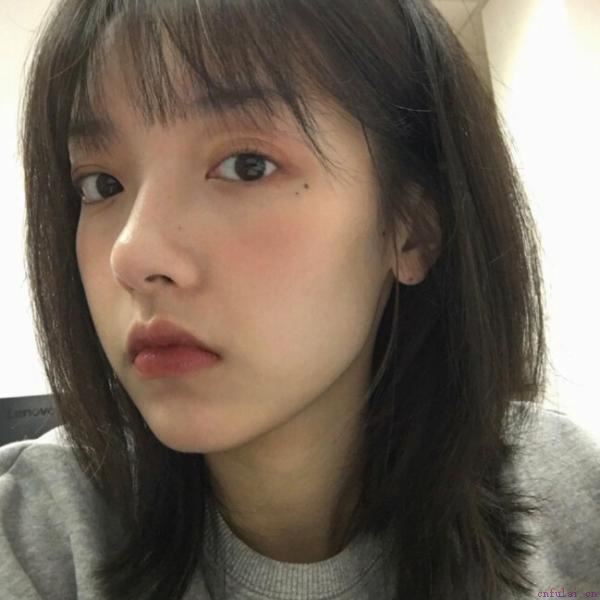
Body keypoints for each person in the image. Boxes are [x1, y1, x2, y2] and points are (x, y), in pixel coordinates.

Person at [1, 0, 599, 598]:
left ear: (411, 231)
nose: (131, 256)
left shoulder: (568, 495)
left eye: (248, 166)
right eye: (101, 184)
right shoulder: (39, 533)